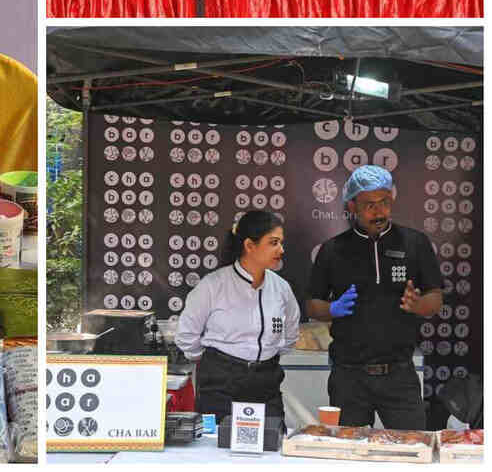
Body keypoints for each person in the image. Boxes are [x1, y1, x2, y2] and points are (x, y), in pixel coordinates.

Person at [306, 165, 442, 429]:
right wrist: (332, 309)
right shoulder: (332, 250)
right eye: (369, 205)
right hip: (349, 377)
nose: (379, 212)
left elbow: (435, 298)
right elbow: (313, 304)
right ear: (352, 206)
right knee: (347, 456)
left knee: (410, 452)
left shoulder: (415, 243)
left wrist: (418, 305)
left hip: (399, 374)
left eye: (385, 202)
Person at [175, 210, 300, 425]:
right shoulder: (213, 285)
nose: (281, 249)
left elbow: (289, 335)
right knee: (214, 448)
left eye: (281, 242)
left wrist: (266, 356)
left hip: (266, 383)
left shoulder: (281, 288)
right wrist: (215, 361)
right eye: (273, 242)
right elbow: (187, 336)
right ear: (250, 245)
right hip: (219, 385)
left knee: (271, 446)